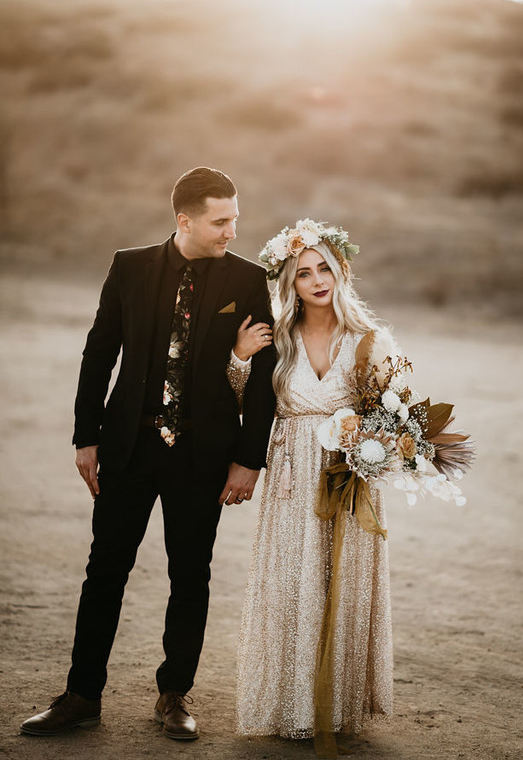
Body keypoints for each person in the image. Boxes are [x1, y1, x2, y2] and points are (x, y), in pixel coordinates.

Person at [20, 167, 276, 740]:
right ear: (184, 220)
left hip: (203, 456)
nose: (232, 231)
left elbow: (261, 378)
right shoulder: (129, 267)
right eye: (221, 221)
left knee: (191, 576)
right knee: (104, 570)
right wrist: (86, 436)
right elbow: (99, 351)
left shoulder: (249, 280)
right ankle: (81, 695)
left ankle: (174, 696)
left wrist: (248, 458)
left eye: (235, 219)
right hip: (129, 447)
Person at [229, 219, 395, 747]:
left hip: (348, 474)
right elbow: (245, 403)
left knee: (342, 582)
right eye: (304, 273)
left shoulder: (370, 339)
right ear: (291, 284)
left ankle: (338, 705)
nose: (317, 279)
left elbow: (390, 415)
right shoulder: (276, 338)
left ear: (341, 271)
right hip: (292, 475)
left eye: (325, 268)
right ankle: (292, 703)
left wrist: (374, 447)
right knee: (293, 584)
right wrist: (239, 359)